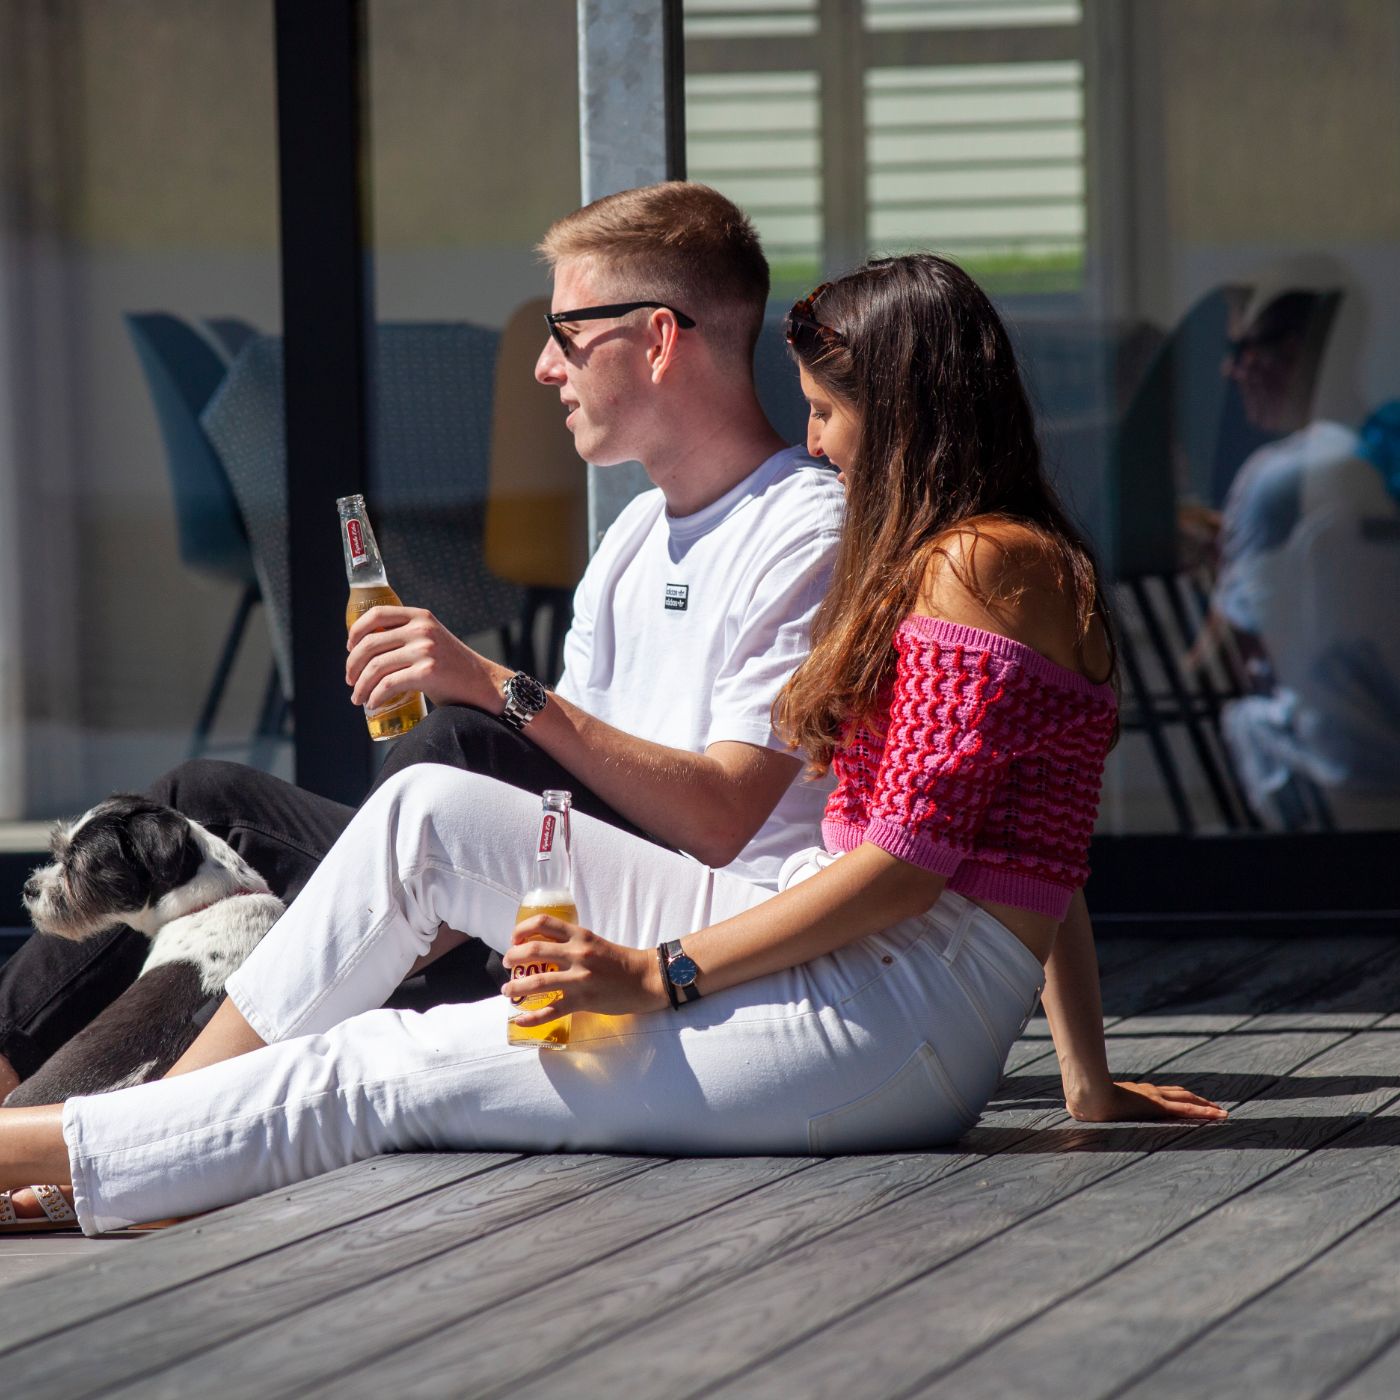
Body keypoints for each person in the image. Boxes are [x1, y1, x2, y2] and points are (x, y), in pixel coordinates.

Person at [0, 254, 1223, 1235]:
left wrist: (661, 973)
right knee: (425, 808)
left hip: (880, 1026)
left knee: (380, 1068)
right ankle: (155, 1128)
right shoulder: (993, 557)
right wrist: (1081, 1077)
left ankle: (74, 1149)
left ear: (906, 412)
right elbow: (1041, 847)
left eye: (830, 412)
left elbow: (910, 865)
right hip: (872, 980)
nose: (818, 444)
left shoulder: (980, 562)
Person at [0, 180, 843, 1102]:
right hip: (543, 879)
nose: (542, 369)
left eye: (565, 335)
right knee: (191, 806)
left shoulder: (803, 530)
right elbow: (572, 770)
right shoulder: (638, 534)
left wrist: (495, 687)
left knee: (460, 747)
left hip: (685, 924)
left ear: (657, 339)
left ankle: (144, 1115)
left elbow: (723, 820)